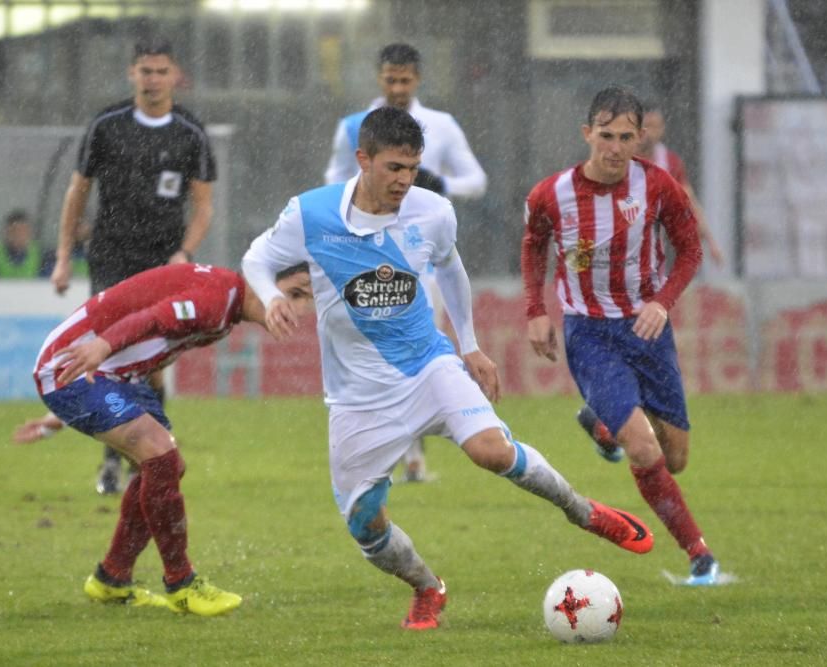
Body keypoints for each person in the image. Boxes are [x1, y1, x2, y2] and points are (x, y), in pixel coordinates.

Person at [243, 107, 654, 631]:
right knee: (365, 527)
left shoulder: (431, 211)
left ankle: (583, 511)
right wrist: (270, 296)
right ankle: (426, 587)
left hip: (428, 365)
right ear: (362, 160)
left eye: (412, 168)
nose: (404, 181)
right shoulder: (311, 213)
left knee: (492, 450)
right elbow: (256, 258)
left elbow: (451, 269)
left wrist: (471, 347)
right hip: (357, 397)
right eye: (393, 168)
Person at [13, 261, 313, 615]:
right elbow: (153, 318)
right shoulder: (216, 300)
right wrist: (102, 347)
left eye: (307, 299)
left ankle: (112, 577)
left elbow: (151, 342)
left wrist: (57, 417)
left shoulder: (226, 309)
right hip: (76, 365)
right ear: (262, 280)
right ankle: (181, 583)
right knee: (161, 457)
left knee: (166, 466)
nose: (298, 310)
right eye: (292, 293)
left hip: (115, 374)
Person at [521, 86, 722, 586]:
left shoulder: (657, 186)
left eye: (626, 137)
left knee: (675, 458)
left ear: (641, 138)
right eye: (605, 136)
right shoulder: (552, 193)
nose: (614, 147)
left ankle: (601, 421)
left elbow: (690, 249)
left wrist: (662, 301)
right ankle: (699, 555)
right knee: (644, 450)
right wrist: (535, 310)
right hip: (589, 333)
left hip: (647, 328)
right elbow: (533, 246)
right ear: (587, 134)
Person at [49, 36, 216, 494]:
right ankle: (112, 461)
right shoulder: (107, 125)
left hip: (162, 263)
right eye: (146, 71)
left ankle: (152, 453)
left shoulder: (191, 133)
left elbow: (203, 206)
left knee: (152, 367)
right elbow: (77, 193)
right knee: (107, 360)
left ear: (174, 75)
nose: (154, 79)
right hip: (110, 257)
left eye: (162, 71)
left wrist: (184, 251)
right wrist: (64, 256)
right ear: (132, 74)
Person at [325, 42, 488, 482]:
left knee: (416, 347)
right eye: (390, 79)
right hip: (364, 258)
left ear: (418, 79)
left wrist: (441, 184)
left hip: (422, 262)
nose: (397, 87)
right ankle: (393, 451)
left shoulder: (441, 126)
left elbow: (477, 180)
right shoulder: (354, 127)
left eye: (405, 80)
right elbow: (331, 182)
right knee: (376, 352)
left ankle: (410, 458)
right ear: (380, 78)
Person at [637, 100, 724, 267]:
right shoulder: (619, 157)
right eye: (646, 126)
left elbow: (689, 201)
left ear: (662, 129)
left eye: (656, 127)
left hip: (650, 249)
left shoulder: (670, 162)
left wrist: (711, 243)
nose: (650, 133)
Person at [0, 209, 55, 278]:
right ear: (7, 232)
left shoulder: (42, 256)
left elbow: (46, 282)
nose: (19, 236)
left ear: (30, 233)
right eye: (15, 231)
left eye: (23, 231)